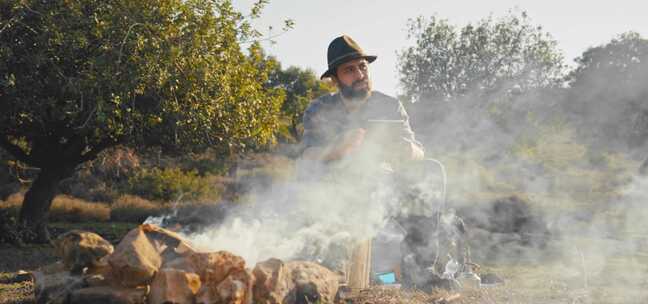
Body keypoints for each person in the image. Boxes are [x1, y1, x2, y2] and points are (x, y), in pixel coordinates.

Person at [300, 35, 424, 170]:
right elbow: (307, 155)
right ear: (335, 79)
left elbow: (420, 153)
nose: (360, 75)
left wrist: (408, 149)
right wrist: (338, 149)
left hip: (384, 182)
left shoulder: (390, 105)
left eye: (362, 66)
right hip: (332, 184)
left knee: (435, 169)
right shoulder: (320, 108)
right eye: (349, 70)